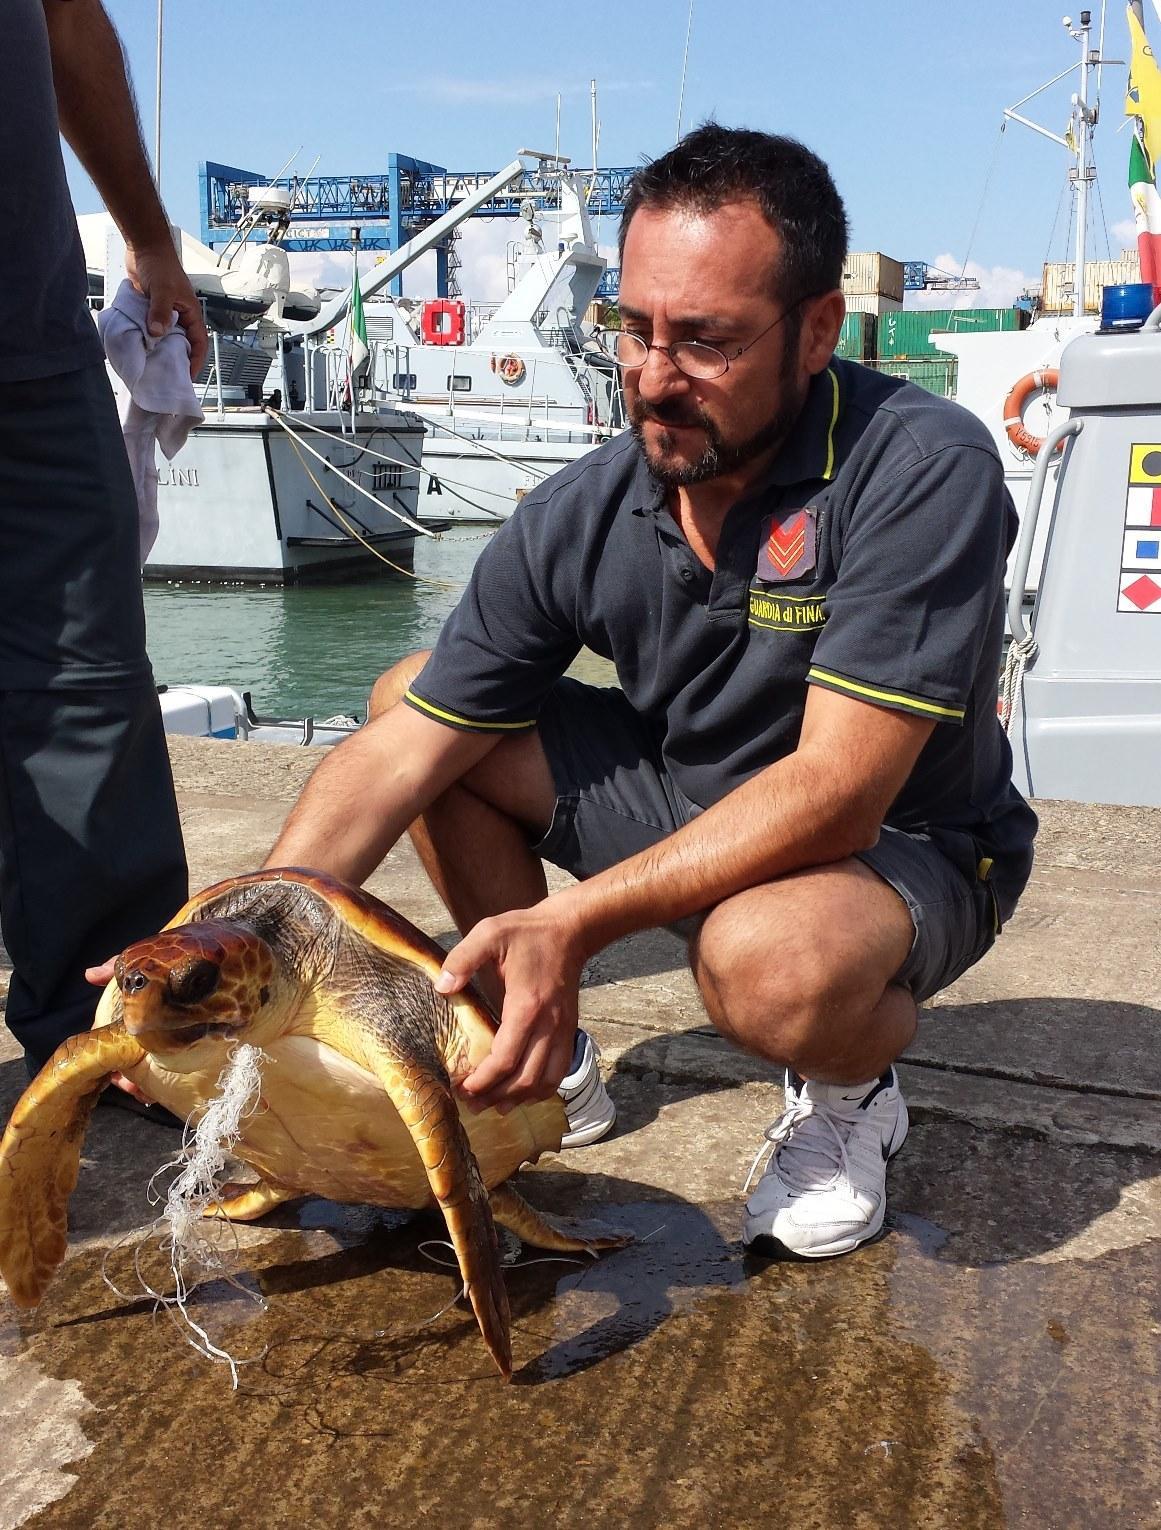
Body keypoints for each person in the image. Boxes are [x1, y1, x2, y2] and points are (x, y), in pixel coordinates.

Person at [266, 124, 1037, 1257]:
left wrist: (572, 920)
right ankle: (544, 1056)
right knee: (415, 701)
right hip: (687, 797)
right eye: (632, 329)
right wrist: (248, 938)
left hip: (901, 847)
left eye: (705, 342)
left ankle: (849, 1093)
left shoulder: (921, 469)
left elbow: (839, 792)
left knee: (765, 965)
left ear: (817, 330)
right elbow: (405, 750)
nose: (653, 378)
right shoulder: (585, 509)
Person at [0, 0, 202, 1084]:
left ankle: (118, 1036)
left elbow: (69, 21)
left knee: (90, 686)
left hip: (32, 340)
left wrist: (150, 236)